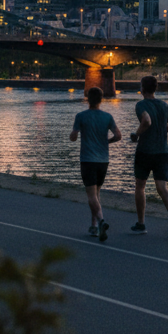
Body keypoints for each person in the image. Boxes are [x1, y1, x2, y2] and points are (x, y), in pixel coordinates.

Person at [129, 75, 168, 237]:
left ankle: (141, 223)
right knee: (162, 187)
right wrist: (160, 127)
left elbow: (146, 121)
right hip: (163, 152)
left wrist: (136, 134)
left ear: (142, 89)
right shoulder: (164, 105)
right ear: (155, 89)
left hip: (145, 151)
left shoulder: (141, 104)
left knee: (140, 186)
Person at [69, 86, 121, 241]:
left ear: (87, 99)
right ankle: (94, 227)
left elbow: (73, 137)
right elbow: (118, 136)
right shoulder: (108, 117)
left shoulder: (81, 116)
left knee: (91, 195)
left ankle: (101, 220)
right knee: (97, 194)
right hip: (103, 161)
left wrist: (74, 134)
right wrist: (107, 142)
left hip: (87, 160)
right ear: (101, 100)